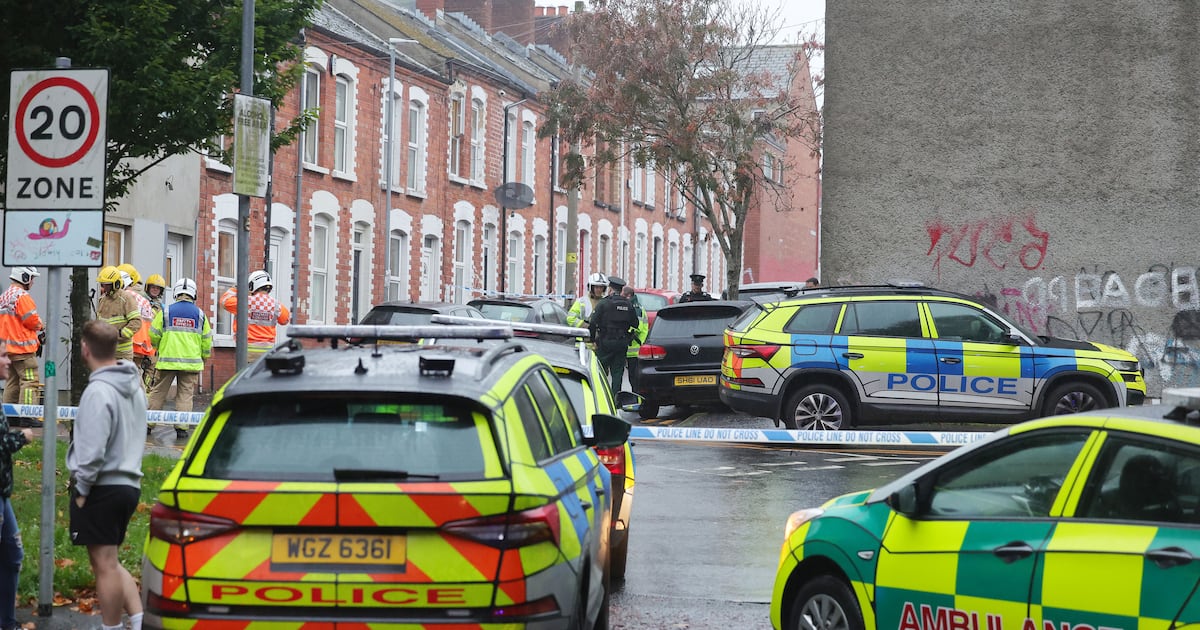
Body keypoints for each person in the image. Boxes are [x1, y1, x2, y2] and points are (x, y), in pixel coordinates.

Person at [67, 320, 146, 630]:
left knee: (103, 566)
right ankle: (138, 619)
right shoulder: (133, 388)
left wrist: (83, 489)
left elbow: (92, 448)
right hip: (128, 483)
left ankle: (110, 627)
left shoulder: (98, 391)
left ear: (85, 349)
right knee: (110, 561)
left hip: (101, 486)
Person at [149, 278, 211, 438]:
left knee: (158, 392)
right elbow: (206, 341)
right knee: (185, 394)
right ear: (194, 294)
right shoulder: (201, 315)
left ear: (176, 293)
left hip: (167, 361)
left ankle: (148, 424)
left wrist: (159, 347)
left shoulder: (166, 312)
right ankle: (182, 429)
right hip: (191, 363)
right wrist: (204, 357)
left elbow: (153, 335)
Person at [0, 344, 33, 630]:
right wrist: (21, 437)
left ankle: (7, 622)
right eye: (2, 356)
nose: (6, 360)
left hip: (3, 493)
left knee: (13, 556)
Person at [220, 270, 291, 362]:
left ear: (252, 285)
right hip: (267, 353)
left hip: (247, 351)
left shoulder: (247, 302)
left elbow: (224, 301)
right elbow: (285, 320)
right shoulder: (276, 305)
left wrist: (237, 287)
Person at [0, 266, 45, 406]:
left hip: (8, 350)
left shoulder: (4, 296)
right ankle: (27, 415)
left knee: (12, 382)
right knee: (30, 381)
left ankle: (9, 416)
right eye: (32, 278)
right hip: (23, 350)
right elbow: (31, 320)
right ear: (24, 277)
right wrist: (41, 325)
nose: (33, 282)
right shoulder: (22, 296)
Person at [590, 276, 640, 393]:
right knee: (617, 373)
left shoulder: (604, 303)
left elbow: (593, 322)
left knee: (600, 371)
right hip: (621, 343)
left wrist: (592, 340)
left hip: (605, 342)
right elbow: (636, 324)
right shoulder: (628, 305)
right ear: (621, 290)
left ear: (611, 289)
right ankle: (615, 400)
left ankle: (600, 395)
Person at [94, 266, 142, 362]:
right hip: (105, 351)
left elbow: (136, 322)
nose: (104, 288)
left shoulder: (126, 298)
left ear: (116, 284)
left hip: (122, 353)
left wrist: (119, 334)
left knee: (122, 377)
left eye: (107, 285)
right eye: (103, 285)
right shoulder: (102, 300)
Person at [120, 268, 156, 388]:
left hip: (127, 341)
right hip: (142, 345)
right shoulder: (144, 300)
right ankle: (141, 400)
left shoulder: (122, 297)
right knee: (136, 371)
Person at [622, 285, 649, 392]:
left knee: (634, 378)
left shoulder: (636, 309)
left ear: (628, 296)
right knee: (632, 377)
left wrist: (623, 332)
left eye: (623, 295)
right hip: (632, 349)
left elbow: (636, 327)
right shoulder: (632, 306)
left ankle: (637, 399)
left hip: (635, 349)